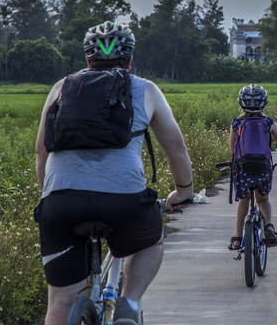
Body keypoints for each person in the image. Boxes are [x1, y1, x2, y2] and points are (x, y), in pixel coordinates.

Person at [34, 21, 194, 325]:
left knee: (60, 301)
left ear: (87, 60)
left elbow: (42, 151)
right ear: (130, 60)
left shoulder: (61, 87)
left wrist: (50, 197)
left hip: (61, 203)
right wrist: (183, 191)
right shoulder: (145, 89)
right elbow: (176, 149)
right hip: (125, 202)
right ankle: (129, 303)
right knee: (151, 242)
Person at [228, 84, 277, 250]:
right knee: (263, 199)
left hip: (243, 170)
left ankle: (237, 237)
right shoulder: (268, 122)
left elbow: (232, 149)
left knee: (244, 200)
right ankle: (269, 226)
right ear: (263, 102)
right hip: (263, 168)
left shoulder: (236, 123)